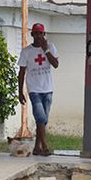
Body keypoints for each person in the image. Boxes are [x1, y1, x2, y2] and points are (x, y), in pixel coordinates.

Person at [18, 22, 59, 156]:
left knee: (42, 120)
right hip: (34, 89)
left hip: (48, 89)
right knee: (41, 117)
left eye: (40, 33)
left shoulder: (50, 47)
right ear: (32, 34)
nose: (38, 36)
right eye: (35, 33)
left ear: (44, 34)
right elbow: (22, 72)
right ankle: (45, 147)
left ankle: (36, 147)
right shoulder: (26, 51)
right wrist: (20, 91)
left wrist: (46, 50)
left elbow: (56, 64)